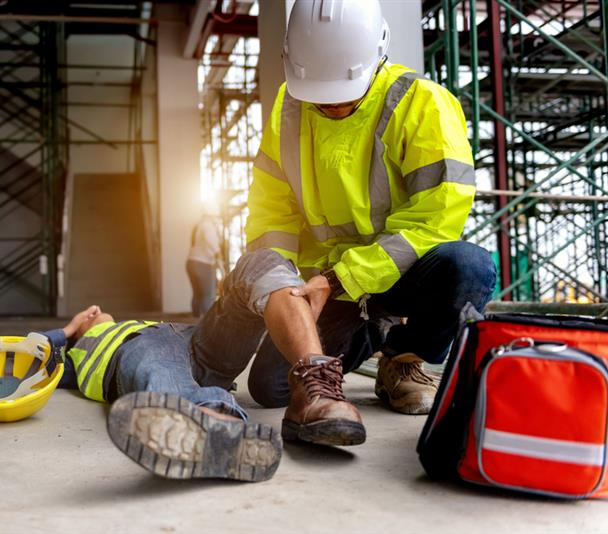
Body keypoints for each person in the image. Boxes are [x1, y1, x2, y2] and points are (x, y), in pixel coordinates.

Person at [187, 0, 496, 447]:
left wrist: (341, 277)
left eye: (344, 91)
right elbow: (273, 211)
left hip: (399, 274)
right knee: (272, 388)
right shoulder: (288, 108)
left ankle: (404, 357)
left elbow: (437, 219)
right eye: (321, 93)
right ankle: (372, 332)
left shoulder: (423, 104)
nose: (332, 104)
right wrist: (282, 287)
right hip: (322, 284)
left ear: (378, 55)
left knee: (469, 267)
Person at [55, 305, 282, 482]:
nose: (95, 311)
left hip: (189, 340)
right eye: (86, 315)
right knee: (162, 369)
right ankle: (220, 423)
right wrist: (66, 331)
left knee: (249, 280)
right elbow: (27, 360)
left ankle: (213, 426)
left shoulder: (133, 323)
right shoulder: (73, 354)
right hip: (145, 347)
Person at [186, 211, 223, 317]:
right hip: (203, 264)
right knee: (208, 296)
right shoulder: (208, 225)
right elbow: (211, 242)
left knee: (197, 295)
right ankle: (209, 324)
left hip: (191, 262)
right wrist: (218, 253)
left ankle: (194, 322)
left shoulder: (198, 225)